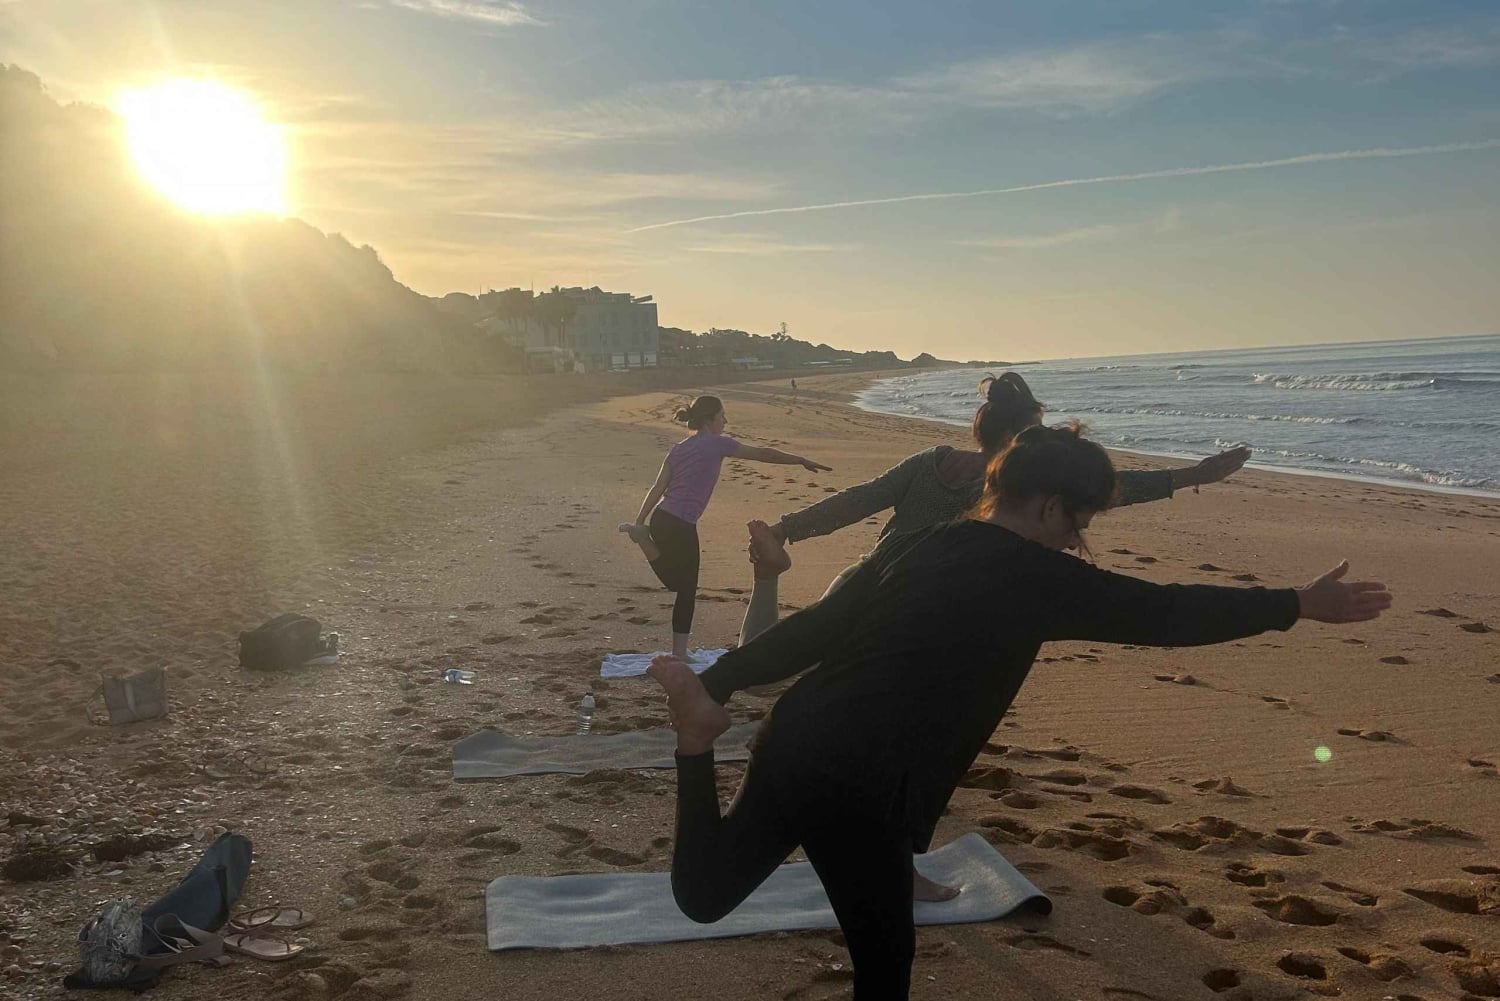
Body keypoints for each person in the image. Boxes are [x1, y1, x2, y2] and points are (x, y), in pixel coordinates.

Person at [646, 422, 1390, 1000]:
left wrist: (722, 680)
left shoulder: (927, 541)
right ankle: (697, 738)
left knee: (705, 893)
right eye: (1077, 522)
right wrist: (1296, 604)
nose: (1077, 538)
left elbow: (823, 626)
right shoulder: (1040, 576)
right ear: (1049, 504)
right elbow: (1166, 612)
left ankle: (696, 741)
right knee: (886, 962)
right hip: (863, 785)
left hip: (797, 735)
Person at [737, 372, 1250, 648]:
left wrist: (785, 528)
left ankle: (768, 576)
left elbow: (857, 500)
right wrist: (1192, 476)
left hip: (864, 578)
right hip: (918, 614)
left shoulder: (927, 462)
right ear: (1020, 441)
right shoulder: (1013, 487)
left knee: (765, 662)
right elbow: (1111, 487)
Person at [619, 395, 830, 659]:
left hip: (662, 518)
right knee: (685, 589)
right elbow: (763, 454)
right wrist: (800, 459)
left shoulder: (679, 448)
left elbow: (658, 487)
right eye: (722, 416)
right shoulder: (718, 444)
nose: (725, 421)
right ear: (710, 420)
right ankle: (679, 653)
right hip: (681, 523)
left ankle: (643, 537)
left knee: (677, 584)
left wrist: (641, 519)